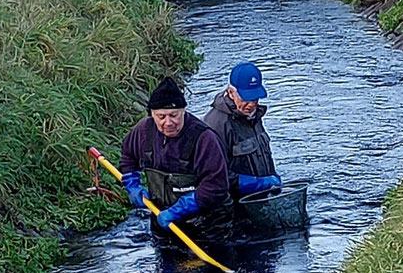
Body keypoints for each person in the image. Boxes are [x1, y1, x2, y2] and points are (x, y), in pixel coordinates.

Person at [120, 76, 230, 230]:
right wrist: (133, 185)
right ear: (152, 114)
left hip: (208, 224)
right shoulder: (143, 131)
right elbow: (128, 157)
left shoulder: (205, 139)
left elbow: (217, 185)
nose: (168, 122)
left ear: (183, 111)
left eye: (173, 115)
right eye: (161, 117)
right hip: (161, 218)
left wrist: (183, 207)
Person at [202, 61, 283, 199]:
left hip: (259, 201)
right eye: (246, 98)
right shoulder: (216, 124)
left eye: (255, 97)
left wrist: (271, 178)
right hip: (234, 207)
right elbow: (212, 175)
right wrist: (257, 183)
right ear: (231, 93)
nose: (251, 104)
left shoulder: (253, 116)